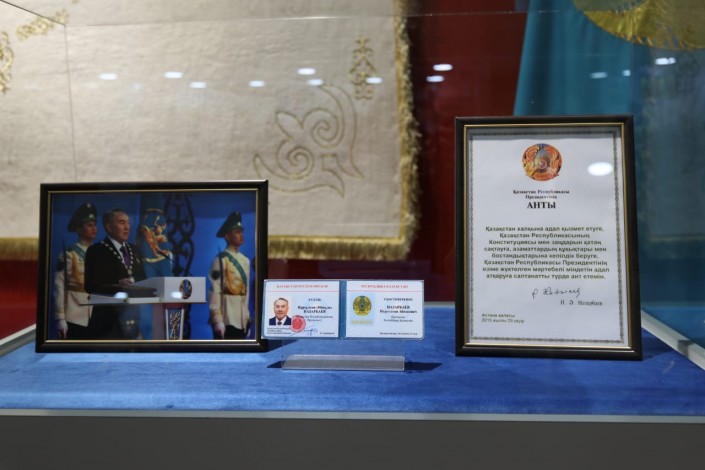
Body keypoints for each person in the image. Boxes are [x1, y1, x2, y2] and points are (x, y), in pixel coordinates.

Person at [84, 208, 147, 339]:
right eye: (122, 223)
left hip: (132, 319)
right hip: (106, 322)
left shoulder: (135, 250)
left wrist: (136, 283)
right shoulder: (96, 251)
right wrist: (117, 284)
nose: (127, 227)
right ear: (109, 227)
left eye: (128, 223)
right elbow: (90, 285)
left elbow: (143, 277)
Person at [53, 203, 98, 339]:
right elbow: (59, 286)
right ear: (79, 229)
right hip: (75, 315)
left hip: (96, 313)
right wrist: (60, 318)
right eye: (89, 225)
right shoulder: (69, 254)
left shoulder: (98, 253)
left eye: (95, 224)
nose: (94, 228)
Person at [208, 211, 251, 339]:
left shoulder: (245, 261)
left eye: (241, 231)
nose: (241, 235)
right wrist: (217, 320)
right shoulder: (221, 260)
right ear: (227, 236)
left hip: (241, 318)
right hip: (227, 317)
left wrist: (247, 318)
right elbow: (215, 291)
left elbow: (246, 292)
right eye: (237, 232)